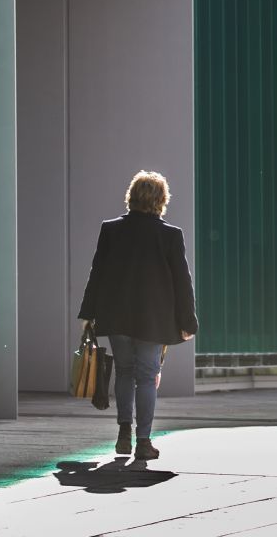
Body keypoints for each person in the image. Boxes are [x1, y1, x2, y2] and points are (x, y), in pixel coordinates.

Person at [77, 170, 198, 463]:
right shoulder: (170, 235)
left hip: (116, 315)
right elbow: (182, 281)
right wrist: (188, 322)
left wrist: (89, 312)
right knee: (146, 377)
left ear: (131, 196)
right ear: (161, 200)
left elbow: (98, 272)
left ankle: (123, 433)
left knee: (125, 371)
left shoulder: (111, 229)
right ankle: (143, 441)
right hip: (153, 319)